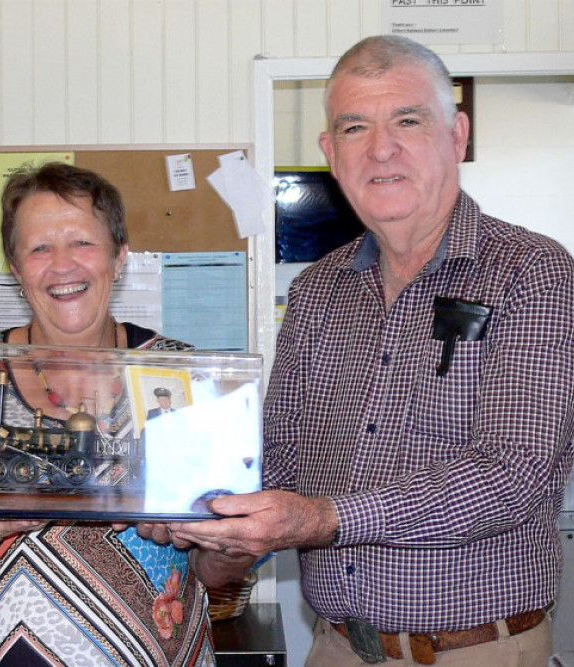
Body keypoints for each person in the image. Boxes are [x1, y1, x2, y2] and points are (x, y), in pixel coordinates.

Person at [154, 35, 574, 666]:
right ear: (331, 151)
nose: (382, 148)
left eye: (408, 119)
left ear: (456, 134)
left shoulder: (533, 272)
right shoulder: (320, 288)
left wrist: (323, 519)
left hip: (474, 650)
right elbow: (281, 460)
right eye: (355, 127)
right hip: (336, 648)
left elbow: (512, 473)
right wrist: (205, 517)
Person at [0, 162, 218, 666]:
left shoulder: (186, 376)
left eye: (83, 243)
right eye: (40, 247)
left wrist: (209, 534)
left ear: (119, 256)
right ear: (16, 269)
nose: (63, 265)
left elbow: (223, 569)